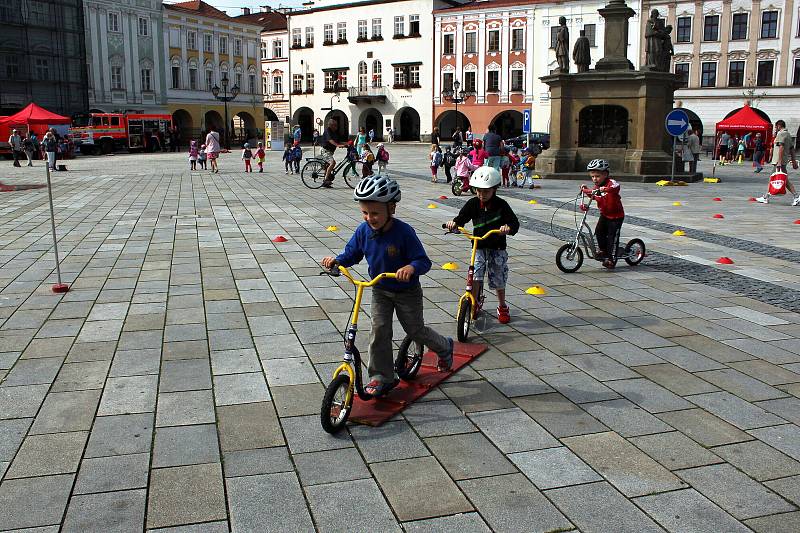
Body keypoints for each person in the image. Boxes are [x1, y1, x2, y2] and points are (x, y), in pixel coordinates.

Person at [321, 175, 454, 396]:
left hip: (406, 292)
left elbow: (423, 261)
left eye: (374, 213)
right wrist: (337, 261)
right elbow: (352, 254)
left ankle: (444, 347)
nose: (369, 218)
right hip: (380, 289)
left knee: (415, 330)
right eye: (365, 212)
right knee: (379, 330)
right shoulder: (364, 231)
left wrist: (411, 268)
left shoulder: (404, 232)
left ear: (391, 208)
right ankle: (382, 377)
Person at [446, 167, 519, 324]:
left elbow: (514, 223)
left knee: (498, 277)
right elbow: (462, 217)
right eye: (478, 190)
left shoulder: (501, 205)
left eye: (486, 191)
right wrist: (455, 223)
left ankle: (502, 305)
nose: (481, 194)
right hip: (478, 246)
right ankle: (474, 302)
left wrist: (508, 228)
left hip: (497, 247)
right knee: (476, 274)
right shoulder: (473, 204)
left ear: (494, 189)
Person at [582, 159, 625, 268]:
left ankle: (611, 259)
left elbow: (616, 186)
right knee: (599, 232)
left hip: (616, 216)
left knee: (611, 236)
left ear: (605, 174)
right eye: (592, 177)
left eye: (597, 176)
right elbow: (594, 196)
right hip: (605, 214)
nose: (594, 179)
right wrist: (586, 191)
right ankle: (603, 250)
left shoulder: (611, 183)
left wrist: (607, 189)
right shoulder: (597, 187)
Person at [757, 120, 800, 205]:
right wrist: (794, 161)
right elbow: (792, 149)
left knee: (774, 178)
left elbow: (781, 148)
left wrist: (779, 162)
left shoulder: (781, 134)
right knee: (784, 179)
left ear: (779, 126)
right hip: (782, 161)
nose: (775, 129)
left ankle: (766, 197)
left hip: (778, 161)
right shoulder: (788, 134)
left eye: (776, 127)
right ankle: (796, 196)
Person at [321, 119, 348, 187]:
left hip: (330, 151)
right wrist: (337, 145)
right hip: (325, 150)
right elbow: (330, 140)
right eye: (335, 125)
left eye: (336, 125)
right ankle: (326, 180)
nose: (336, 126)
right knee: (333, 163)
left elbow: (339, 141)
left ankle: (326, 183)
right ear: (331, 125)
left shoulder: (335, 132)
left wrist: (347, 144)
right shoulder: (328, 131)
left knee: (328, 166)